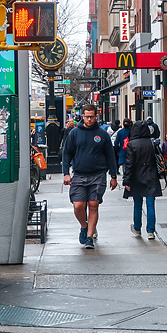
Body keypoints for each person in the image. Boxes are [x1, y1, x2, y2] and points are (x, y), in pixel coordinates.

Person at [62, 104, 118, 249]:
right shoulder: (74, 133)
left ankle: (89, 238)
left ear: (96, 116)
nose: (89, 119)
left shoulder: (102, 134)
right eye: (86, 117)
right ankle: (84, 225)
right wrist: (66, 173)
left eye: (91, 116)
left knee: (93, 205)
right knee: (78, 206)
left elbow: (110, 156)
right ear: (82, 116)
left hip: (98, 174)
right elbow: (67, 153)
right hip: (79, 174)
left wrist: (113, 175)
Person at [123, 120, 163, 240]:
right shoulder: (152, 143)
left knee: (138, 204)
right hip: (151, 175)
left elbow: (129, 164)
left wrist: (127, 180)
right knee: (150, 204)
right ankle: (150, 231)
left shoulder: (132, 144)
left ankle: (137, 227)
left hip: (137, 177)